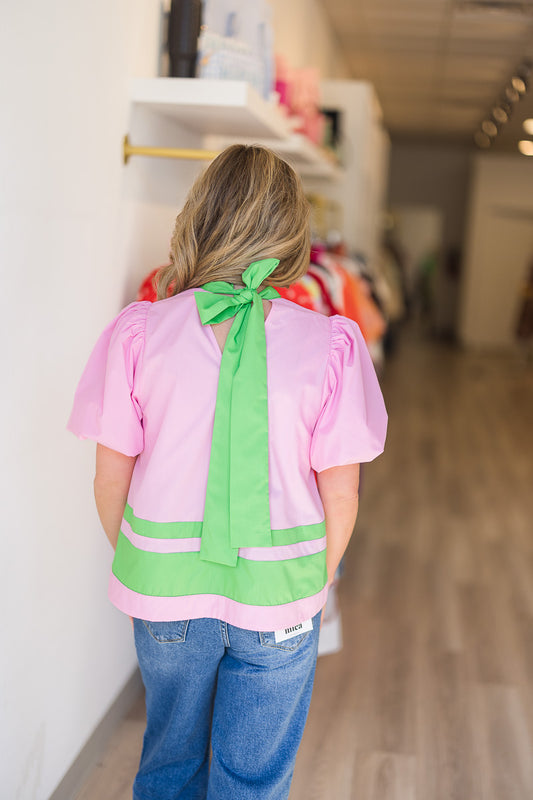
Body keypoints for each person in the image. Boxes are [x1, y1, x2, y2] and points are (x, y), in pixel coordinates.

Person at [67, 144, 387, 800]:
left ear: (195, 220)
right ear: (293, 233)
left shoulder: (139, 331)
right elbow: (343, 493)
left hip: (164, 590)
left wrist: (149, 566)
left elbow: (108, 481)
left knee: (168, 760)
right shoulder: (331, 345)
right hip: (280, 595)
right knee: (254, 775)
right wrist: (311, 583)